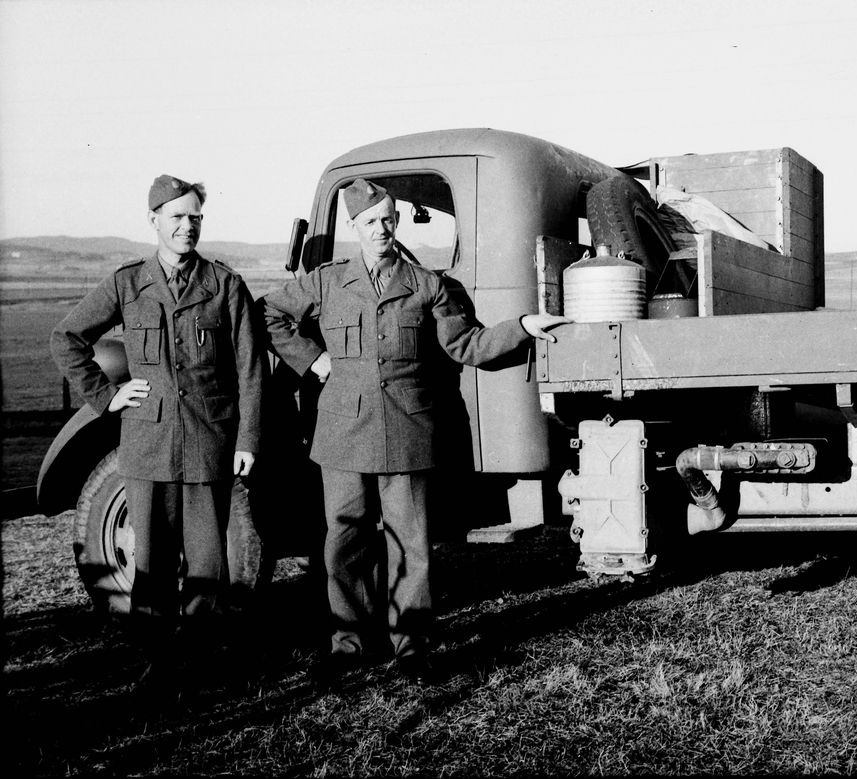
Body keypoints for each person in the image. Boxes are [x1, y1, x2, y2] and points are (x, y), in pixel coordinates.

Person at [262, 178, 569, 683]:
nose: (380, 229)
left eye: (387, 219)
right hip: (341, 435)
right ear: (354, 227)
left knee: (412, 543)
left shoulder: (428, 285)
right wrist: (313, 361)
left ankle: (413, 648)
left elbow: (466, 345)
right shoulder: (324, 282)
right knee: (343, 542)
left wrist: (522, 327)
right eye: (369, 222)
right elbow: (270, 313)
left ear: (396, 220)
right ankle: (348, 645)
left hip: (407, 432)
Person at [50, 175, 265, 691]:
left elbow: (251, 369)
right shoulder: (128, 284)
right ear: (154, 221)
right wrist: (106, 397)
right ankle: (158, 663)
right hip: (147, 445)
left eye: (195, 217)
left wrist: (247, 440)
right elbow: (67, 337)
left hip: (209, 443)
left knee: (209, 562)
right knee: (151, 563)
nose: (187, 227)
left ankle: (203, 660)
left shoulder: (224, 285)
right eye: (176, 217)